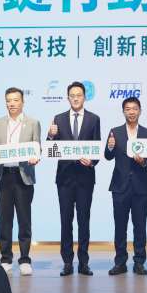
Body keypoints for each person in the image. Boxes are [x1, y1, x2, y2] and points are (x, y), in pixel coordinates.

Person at [0, 87, 41, 276]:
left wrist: (36, 157)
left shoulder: (33, 123)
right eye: (9, 100)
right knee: (5, 219)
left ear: (22, 102)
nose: (12, 103)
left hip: (23, 176)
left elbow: (37, 147)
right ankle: (5, 258)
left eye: (15, 100)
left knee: (24, 219)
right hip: (4, 175)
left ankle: (25, 259)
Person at [47, 81, 101, 277]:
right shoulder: (58, 119)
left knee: (84, 221)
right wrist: (50, 136)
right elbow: (51, 149)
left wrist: (92, 161)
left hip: (85, 178)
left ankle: (84, 263)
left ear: (84, 97)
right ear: (68, 97)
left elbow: (97, 148)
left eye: (79, 95)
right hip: (65, 178)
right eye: (72, 95)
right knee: (66, 221)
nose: (76, 98)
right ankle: (67, 262)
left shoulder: (94, 119)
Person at [104, 96, 147, 275]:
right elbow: (107, 156)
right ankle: (120, 262)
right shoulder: (115, 132)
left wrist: (144, 161)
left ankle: (139, 262)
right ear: (123, 112)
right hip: (119, 187)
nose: (131, 112)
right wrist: (110, 147)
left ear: (140, 111)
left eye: (134, 108)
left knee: (140, 226)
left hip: (140, 187)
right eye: (128, 109)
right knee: (120, 227)